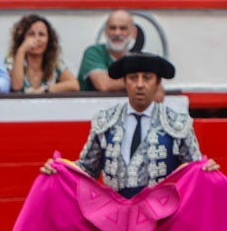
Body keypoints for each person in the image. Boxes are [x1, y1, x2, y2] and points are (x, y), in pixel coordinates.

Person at [65, 49, 211, 197]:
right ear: (124, 82)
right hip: (114, 213)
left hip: (162, 215)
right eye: (133, 78)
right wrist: (60, 170)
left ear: (157, 82)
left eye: (147, 78)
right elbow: (87, 169)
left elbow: (194, 172)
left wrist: (207, 172)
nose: (140, 84)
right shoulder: (106, 120)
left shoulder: (176, 122)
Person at [7, 13, 79, 93]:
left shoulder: (55, 63)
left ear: (49, 40)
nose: (37, 39)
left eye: (41, 34)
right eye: (31, 34)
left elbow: (74, 85)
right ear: (22, 39)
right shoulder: (11, 61)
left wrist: (46, 90)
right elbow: (16, 86)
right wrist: (21, 51)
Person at [76, 8, 142, 91]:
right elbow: (103, 84)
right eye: (112, 28)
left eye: (123, 28)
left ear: (134, 32)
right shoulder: (94, 52)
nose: (117, 33)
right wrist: (142, 83)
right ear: (105, 31)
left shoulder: (135, 60)